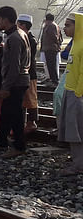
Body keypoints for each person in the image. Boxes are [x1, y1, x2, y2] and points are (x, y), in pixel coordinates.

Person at [0, 6, 30, 158]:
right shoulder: (18, 34)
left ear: (6, 20)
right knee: (6, 114)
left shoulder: (14, 37)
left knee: (15, 115)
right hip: (17, 80)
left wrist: (6, 86)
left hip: (16, 82)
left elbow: (14, 66)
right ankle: (2, 142)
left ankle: (19, 146)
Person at [58, 14, 83, 176]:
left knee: (76, 131)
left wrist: (78, 93)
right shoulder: (75, 44)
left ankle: (78, 165)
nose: (65, 29)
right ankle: (77, 160)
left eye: (68, 25)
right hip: (71, 90)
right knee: (73, 129)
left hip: (77, 94)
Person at [17, 14, 39, 134]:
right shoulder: (25, 37)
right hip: (24, 73)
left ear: (23, 25)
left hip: (30, 73)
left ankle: (32, 122)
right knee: (24, 98)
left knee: (31, 98)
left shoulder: (31, 40)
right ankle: (26, 122)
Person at [41, 13, 63, 86]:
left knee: (51, 65)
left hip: (50, 48)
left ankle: (54, 80)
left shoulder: (50, 26)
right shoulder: (54, 25)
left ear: (47, 19)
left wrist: (57, 44)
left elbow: (54, 37)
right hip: (50, 48)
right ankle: (53, 79)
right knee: (51, 65)